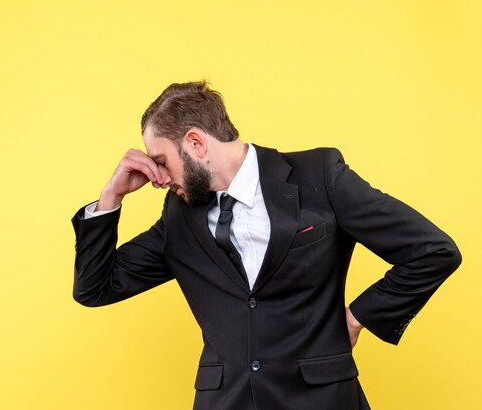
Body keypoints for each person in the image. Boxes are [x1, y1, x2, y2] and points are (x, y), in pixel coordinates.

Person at [71, 81, 462, 410]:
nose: (156, 176)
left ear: (195, 142)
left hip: (321, 400)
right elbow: (95, 288)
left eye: (161, 159)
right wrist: (110, 199)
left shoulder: (319, 176)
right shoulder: (179, 216)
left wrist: (359, 316)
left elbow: (432, 250)